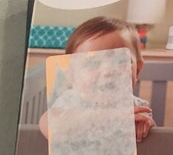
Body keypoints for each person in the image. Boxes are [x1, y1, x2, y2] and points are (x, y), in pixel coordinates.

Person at [39, 16, 155, 145]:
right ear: (72, 75)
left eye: (119, 61)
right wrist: (110, 118)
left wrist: (144, 128)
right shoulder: (71, 101)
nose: (107, 71)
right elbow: (50, 124)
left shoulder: (137, 107)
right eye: (92, 63)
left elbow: (154, 143)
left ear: (137, 70)